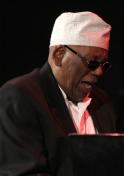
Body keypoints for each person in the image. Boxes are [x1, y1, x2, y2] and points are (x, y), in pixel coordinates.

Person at [0, 11, 117, 175]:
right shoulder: (19, 96)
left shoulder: (102, 102)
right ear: (59, 55)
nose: (99, 72)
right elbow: (22, 171)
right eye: (92, 62)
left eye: (103, 65)